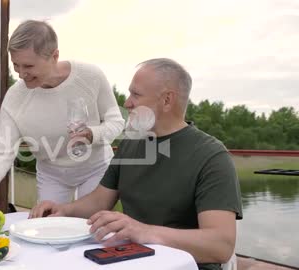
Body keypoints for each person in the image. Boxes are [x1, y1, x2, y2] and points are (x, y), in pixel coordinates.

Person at [30, 58, 243, 270]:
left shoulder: (211, 155)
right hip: (131, 260)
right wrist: (63, 210)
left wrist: (145, 231)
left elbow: (220, 245)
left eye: (136, 94)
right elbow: (99, 201)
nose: (127, 102)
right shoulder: (131, 144)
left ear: (167, 100)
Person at [0, 20, 124, 203]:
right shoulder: (15, 97)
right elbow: (3, 150)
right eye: (16, 65)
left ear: (54, 56)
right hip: (52, 175)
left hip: (96, 169)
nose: (21, 74)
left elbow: (116, 122)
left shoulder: (90, 76)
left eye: (28, 66)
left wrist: (93, 133)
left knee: (89, 225)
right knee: (50, 226)